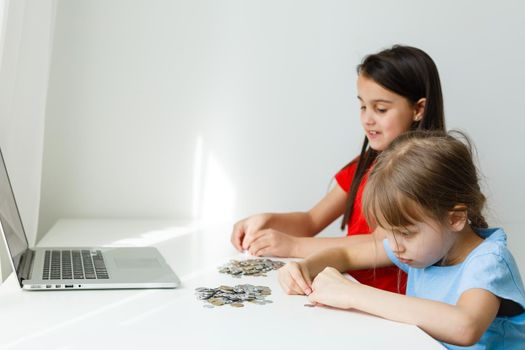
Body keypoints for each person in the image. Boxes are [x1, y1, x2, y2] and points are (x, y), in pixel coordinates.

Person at [279, 130, 525, 349]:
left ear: (455, 219)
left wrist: (354, 294)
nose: (395, 246)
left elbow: (465, 327)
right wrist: (303, 268)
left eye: (406, 233)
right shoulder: (423, 249)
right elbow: (345, 255)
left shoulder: (490, 261)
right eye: (389, 233)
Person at [231, 44, 445, 293]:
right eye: (363, 106)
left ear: (418, 109)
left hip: (386, 301)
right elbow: (311, 220)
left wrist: (293, 246)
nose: (367, 118)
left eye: (381, 109)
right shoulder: (364, 164)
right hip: (345, 288)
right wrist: (268, 220)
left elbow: (381, 244)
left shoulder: (424, 174)